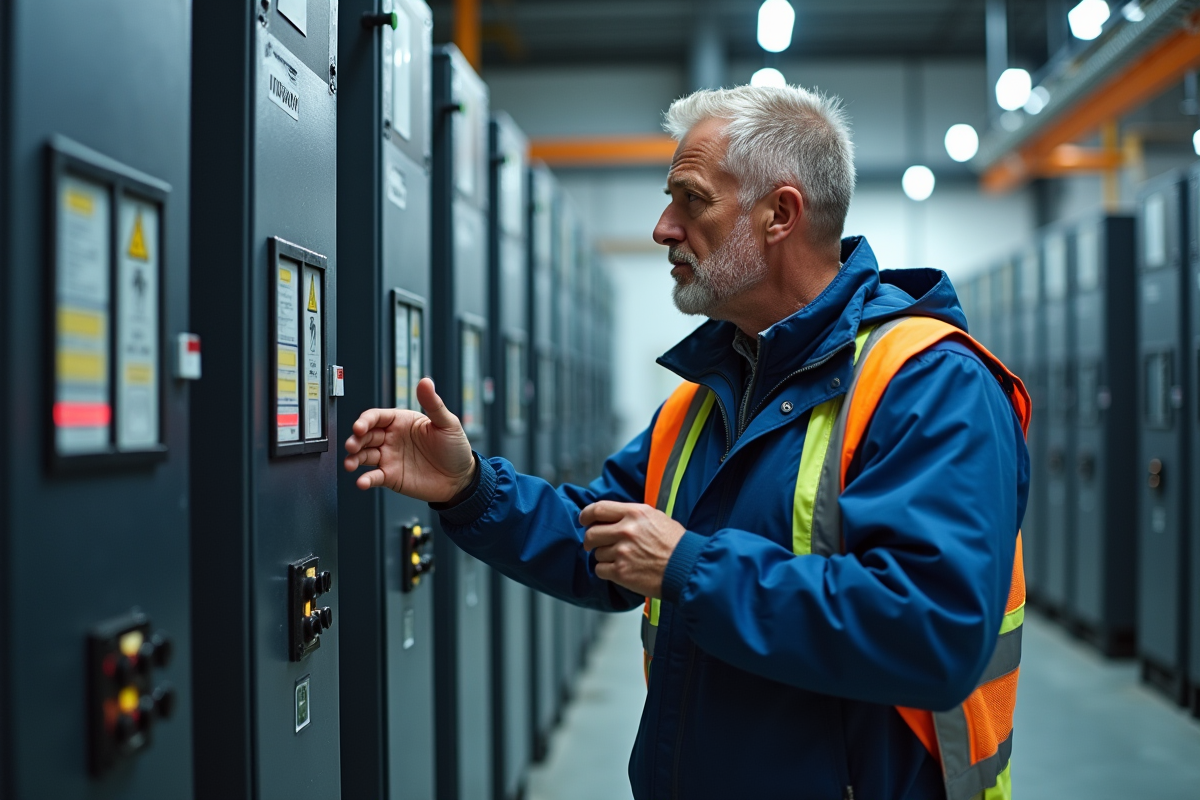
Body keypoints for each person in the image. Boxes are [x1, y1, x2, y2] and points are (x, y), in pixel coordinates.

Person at [344, 84, 1030, 800]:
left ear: (779, 214)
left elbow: (934, 633)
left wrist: (688, 568)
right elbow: (602, 538)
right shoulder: (709, 396)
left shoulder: (930, 384)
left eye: (691, 199)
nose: (663, 228)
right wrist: (470, 487)